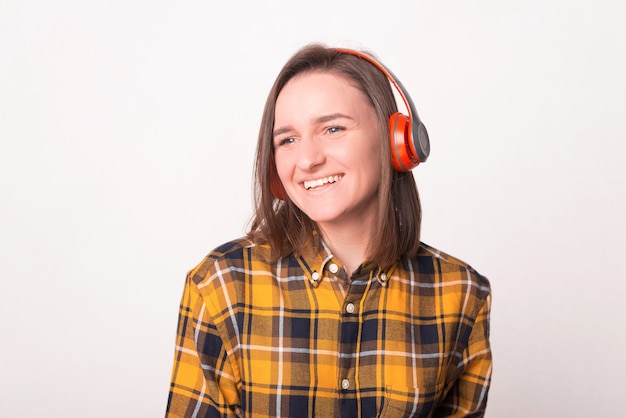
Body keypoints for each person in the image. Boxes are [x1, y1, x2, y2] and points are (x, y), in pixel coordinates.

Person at [166, 44, 492, 418]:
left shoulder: (462, 293)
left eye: (333, 128)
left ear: (396, 141)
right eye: (287, 140)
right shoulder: (220, 284)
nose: (307, 159)